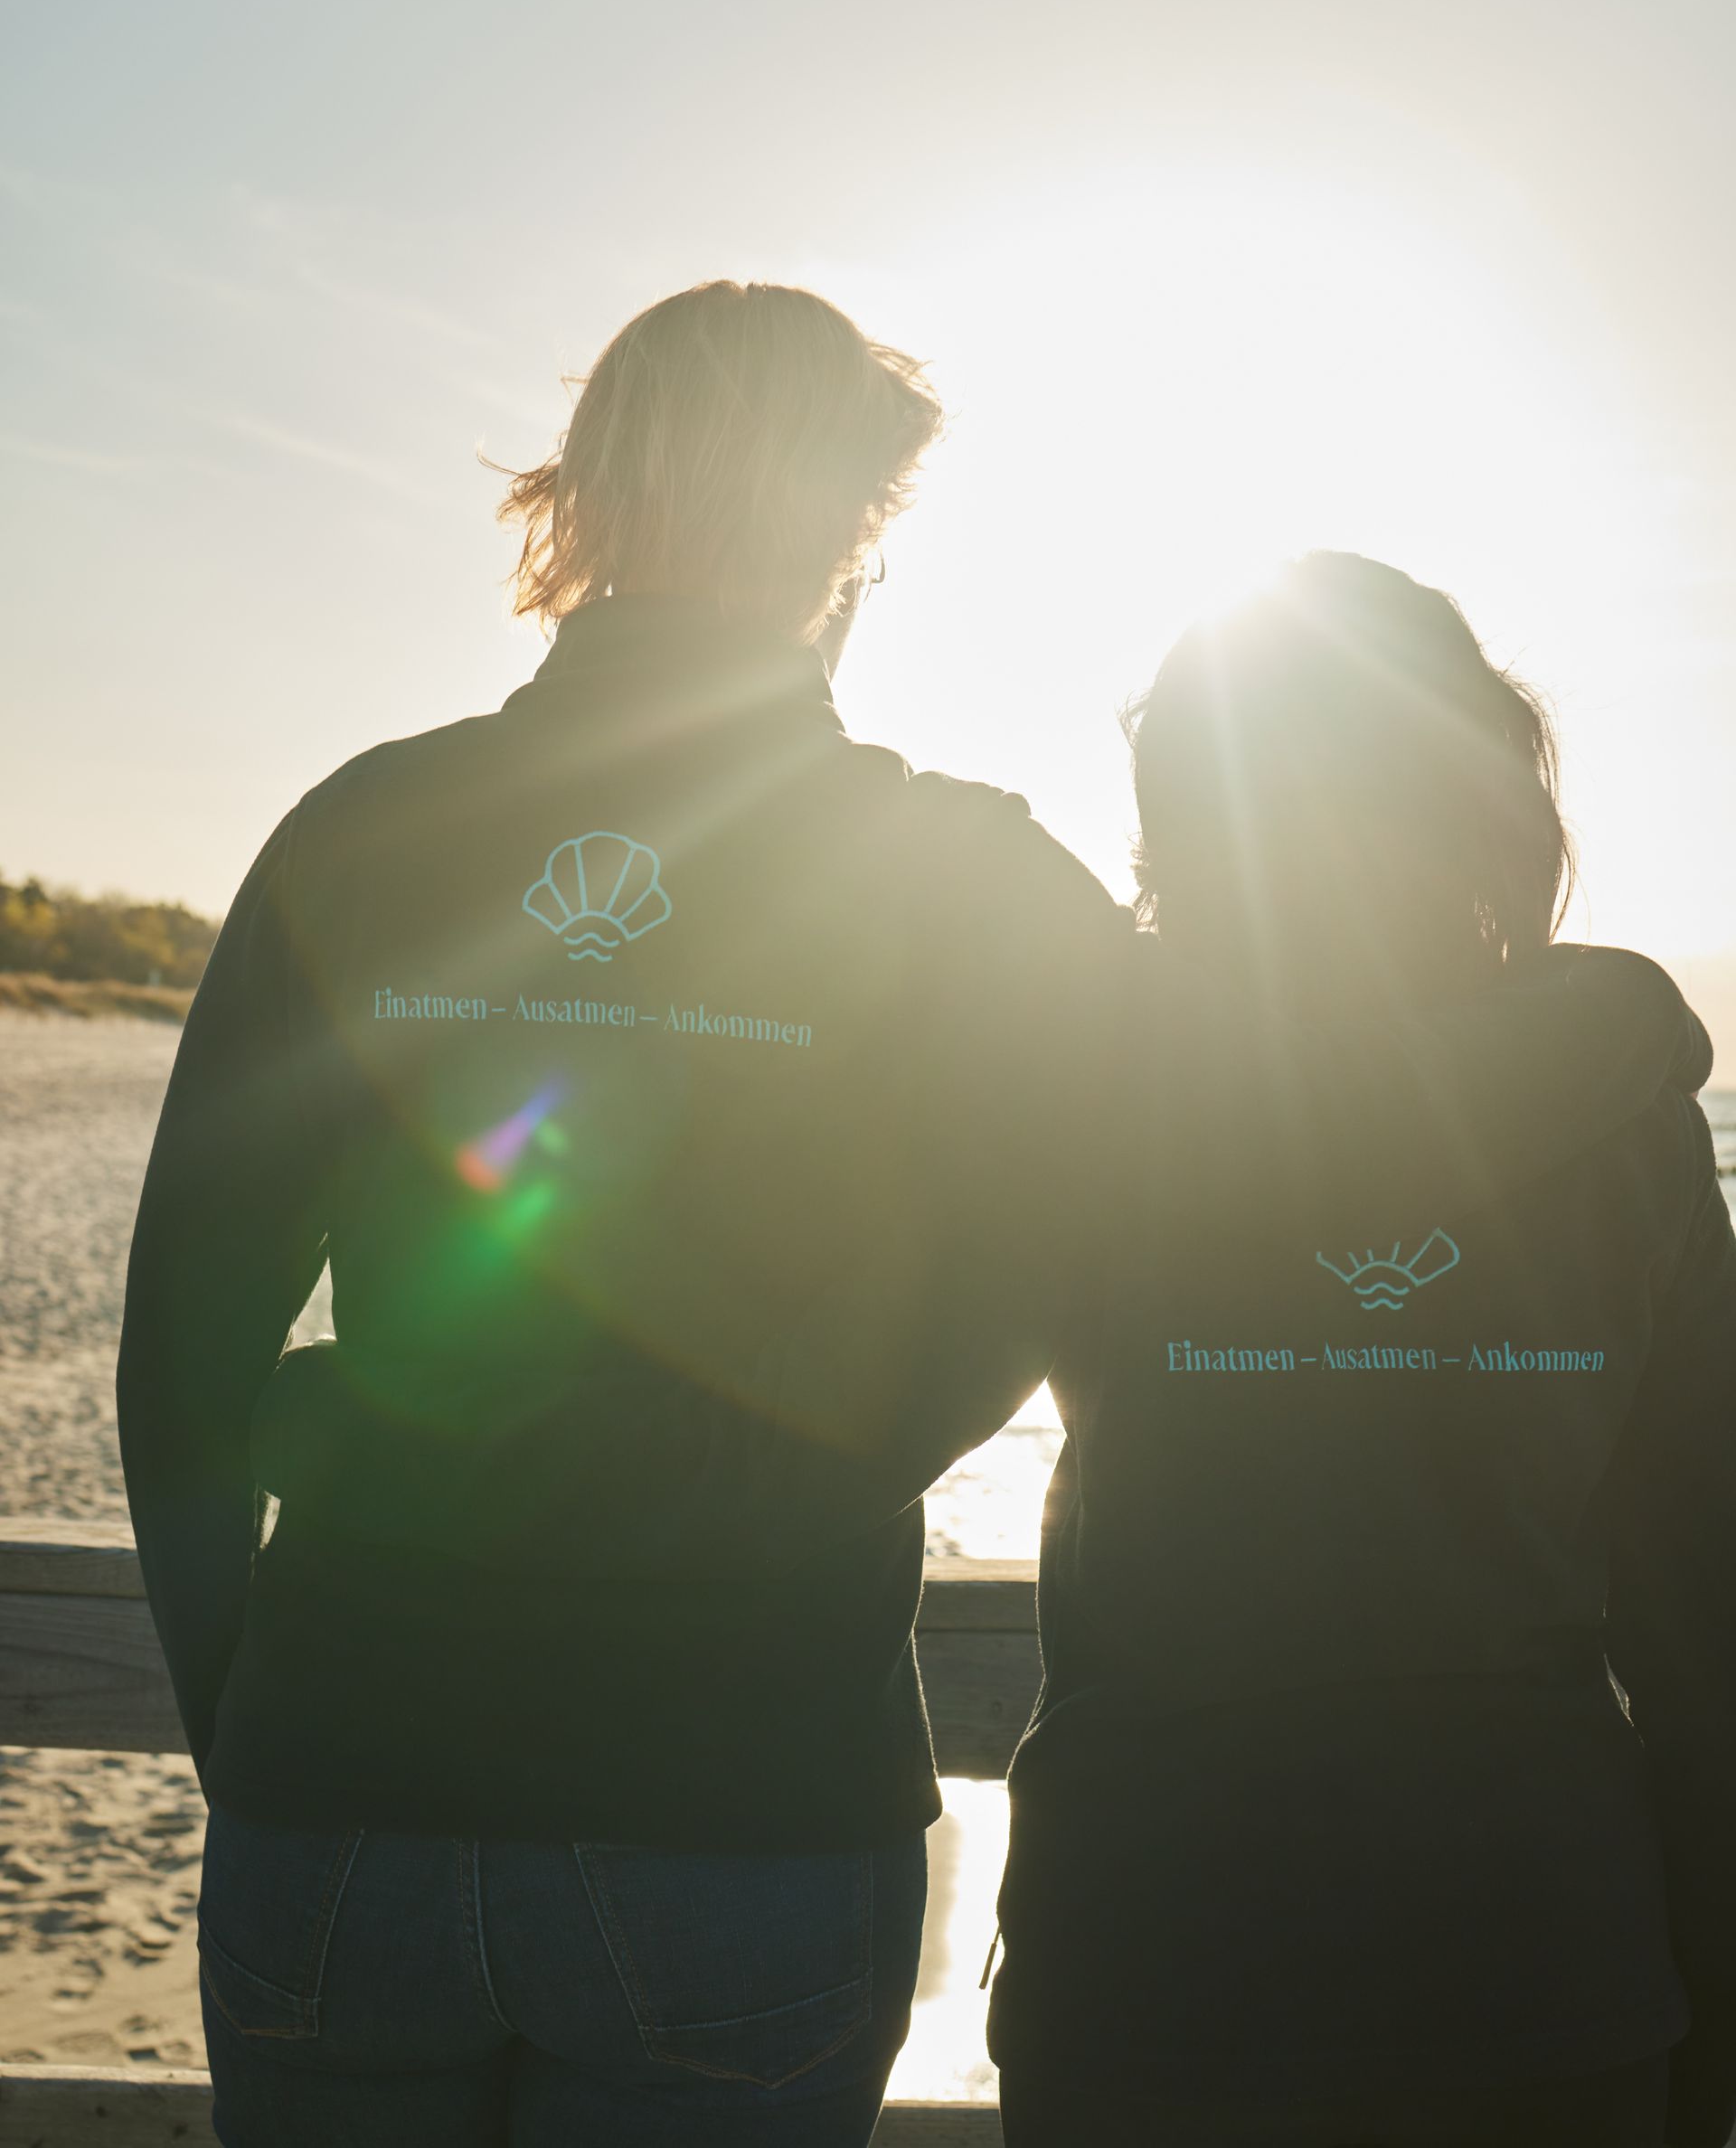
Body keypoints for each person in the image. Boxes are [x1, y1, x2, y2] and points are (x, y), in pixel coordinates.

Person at [120, 287, 1702, 2148]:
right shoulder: (962, 882)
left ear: (575, 507)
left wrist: (266, 1746)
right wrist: (1606, 1030)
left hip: (343, 1801)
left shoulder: (356, 831)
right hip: (743, 1809)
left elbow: (178, 1368)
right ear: (857, 540)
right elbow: (1275, 1109)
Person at [986, 554, 1736, 2148]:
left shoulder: (1072, 1094)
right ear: (1482, 800)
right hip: (1542, 1972)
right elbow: (1707, 1625)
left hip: (1149, 1960)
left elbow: (878, 1410)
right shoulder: (1634, 1134)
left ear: (1181, 810)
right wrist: (1708, 2033)